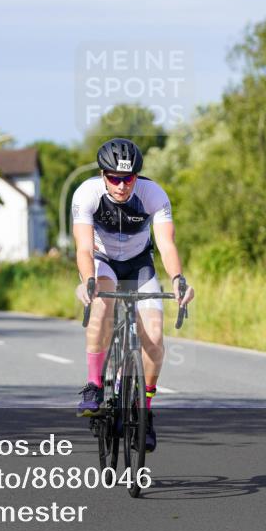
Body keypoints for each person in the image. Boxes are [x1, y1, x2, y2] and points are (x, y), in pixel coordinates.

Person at [71, 138, 195, 452]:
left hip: (140, 265)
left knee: (154, 336)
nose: (122, 185)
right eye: (114, 178)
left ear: (136, 177)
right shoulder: (87, 194)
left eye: (128, 178)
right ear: (103, 175)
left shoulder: (153, 194)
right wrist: (88, 281)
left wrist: (179, 279)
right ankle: (94, 385)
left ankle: (146, 412)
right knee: (103, 302)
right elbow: (83, 248)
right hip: (103, 263)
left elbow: (166, 244)